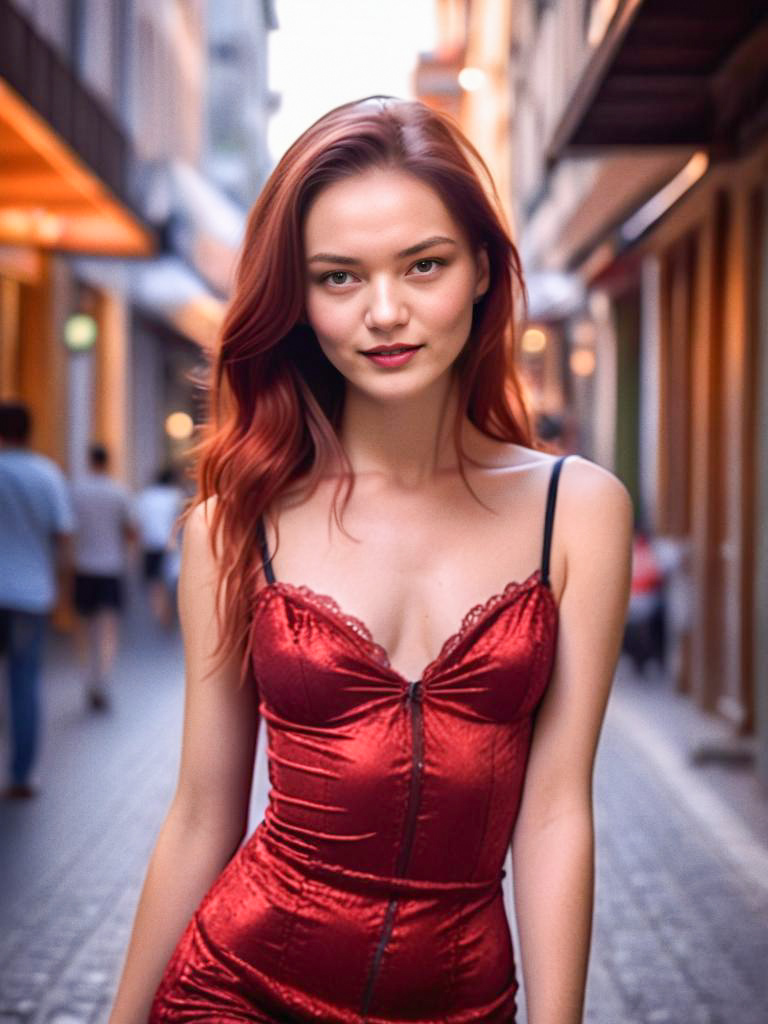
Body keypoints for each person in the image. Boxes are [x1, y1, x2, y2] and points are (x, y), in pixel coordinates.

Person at [109, 97, 633, 1023]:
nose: (385, 313)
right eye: (339, 277)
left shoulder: (577, 511)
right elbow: (201, 814)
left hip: (461, 1001)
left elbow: (556, 812)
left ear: (480, 269)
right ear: (300, 301)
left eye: (423, 265)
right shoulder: (235, 526)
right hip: (234, 991)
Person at [0, 401, 74, 799]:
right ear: (29, 431)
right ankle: (22, 774)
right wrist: (62, 589)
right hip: (31, 595)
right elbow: (63, 534)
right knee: (24, 683)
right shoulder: (46, 474)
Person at [71, 442, 138, 711]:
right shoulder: (118, 492)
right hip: (111, 568)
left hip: (83, 566)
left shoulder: (76, 491)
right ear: (108, 461)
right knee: (108, 629)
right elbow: (132, 532)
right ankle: (104, 679)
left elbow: (67, 528)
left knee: (83, 629)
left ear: (88, 460)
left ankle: (88, 678)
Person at [135, 467, 185, 629]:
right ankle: (168, 613)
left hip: (150, 544)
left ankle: (159, 613)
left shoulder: (145, 496)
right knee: (171, 581)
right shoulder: (175, 495)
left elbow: (137, 522)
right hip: (170, 544)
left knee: (154, 582)